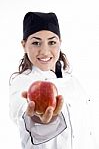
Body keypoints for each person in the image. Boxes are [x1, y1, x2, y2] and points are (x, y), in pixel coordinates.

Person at [9, 12, 96, 149]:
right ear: (24, 45)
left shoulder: (72, 79)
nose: (45, 51)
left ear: (60, 43)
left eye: (52, 42)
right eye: (36, 43)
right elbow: (22, 113)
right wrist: (39, 119)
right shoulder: (22, 82)